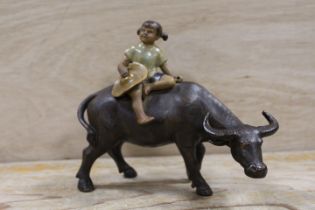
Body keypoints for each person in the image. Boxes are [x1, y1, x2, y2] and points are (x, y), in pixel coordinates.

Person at [114, 20, 182, 124]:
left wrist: (172, 76)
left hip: (153, 76)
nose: (145, 33)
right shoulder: (134, 49)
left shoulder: (157, 51)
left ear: (157, 37)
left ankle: (150, 86)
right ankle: (141, 117)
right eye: (143, 30)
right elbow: (121, 64)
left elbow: (163, 66)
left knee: (170, 81)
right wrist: (124, 72)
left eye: (149, 31)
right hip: (136, 79)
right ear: (139, 32)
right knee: (136, 95)